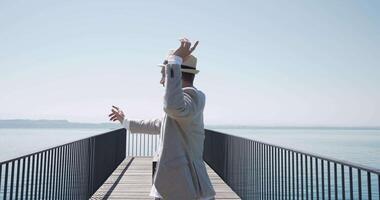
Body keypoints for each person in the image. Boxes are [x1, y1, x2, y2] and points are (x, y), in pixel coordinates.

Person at [108, 38, 216, 200]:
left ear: (176, 74)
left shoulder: (192, 97)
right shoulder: (186, 103)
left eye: (163, 75)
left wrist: (174, 61)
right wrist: (125, 121)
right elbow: (160, 124)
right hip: (177, 186)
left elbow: (172, 106)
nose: (161, 81)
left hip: (184, 188)